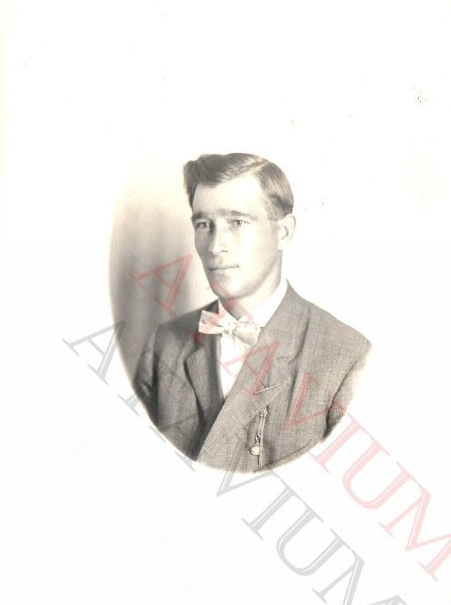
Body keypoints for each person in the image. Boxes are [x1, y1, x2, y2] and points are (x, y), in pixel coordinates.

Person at [134, 153, 370, 472]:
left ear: (283, 232)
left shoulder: (347, 357)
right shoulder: (163, 346)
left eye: (237, 222)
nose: (215, 246)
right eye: (204, 224)